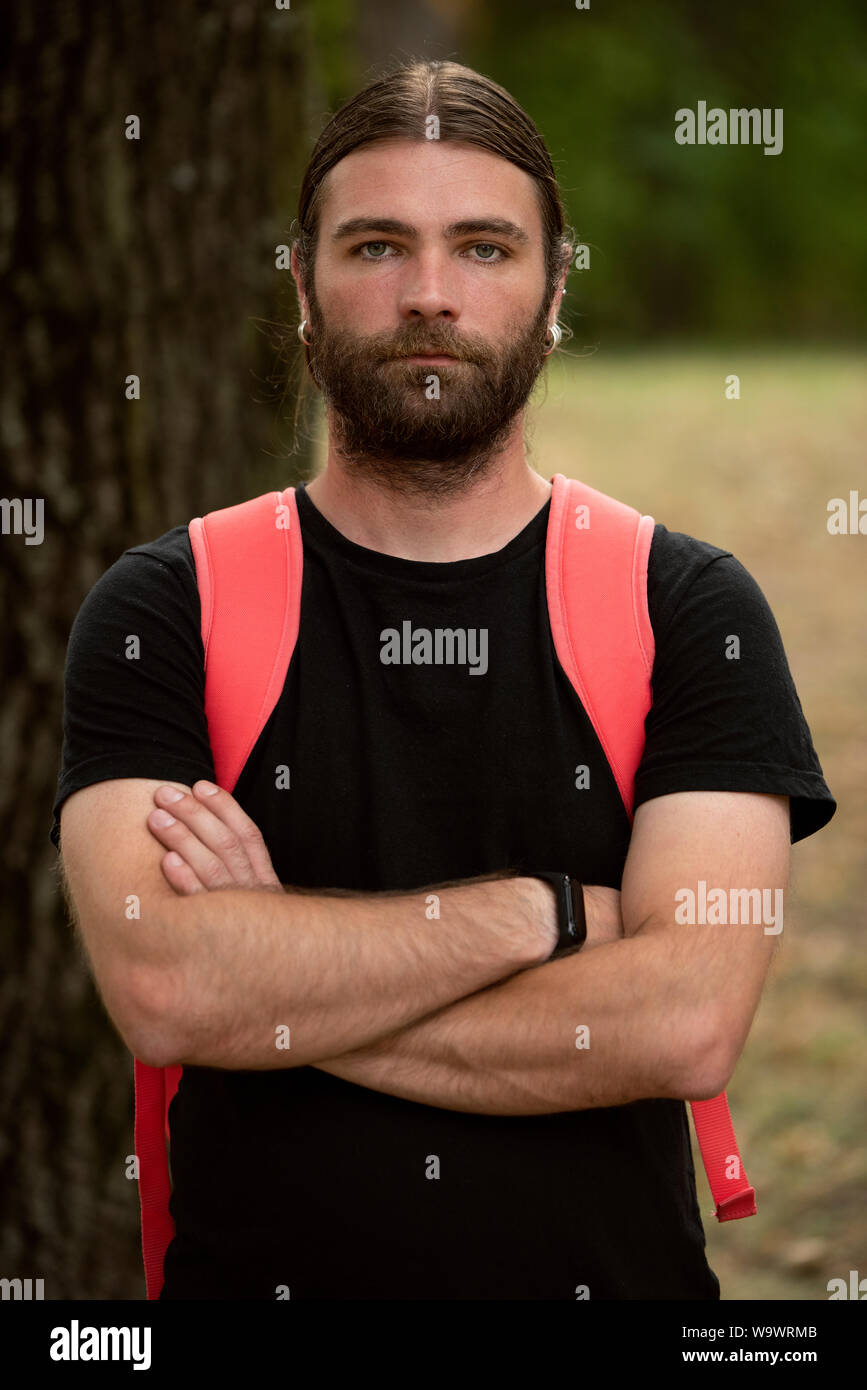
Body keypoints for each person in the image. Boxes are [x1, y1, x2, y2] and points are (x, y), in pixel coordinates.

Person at [51, 59, 836, 1300]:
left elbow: (685, 1021)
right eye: (375, 247)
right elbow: (167, 984)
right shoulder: (168, 607)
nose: (429, 295)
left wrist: (282, 987)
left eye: (482, 247)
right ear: (301, 286)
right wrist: (553, 915)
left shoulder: (686, 607)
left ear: (555, 285)